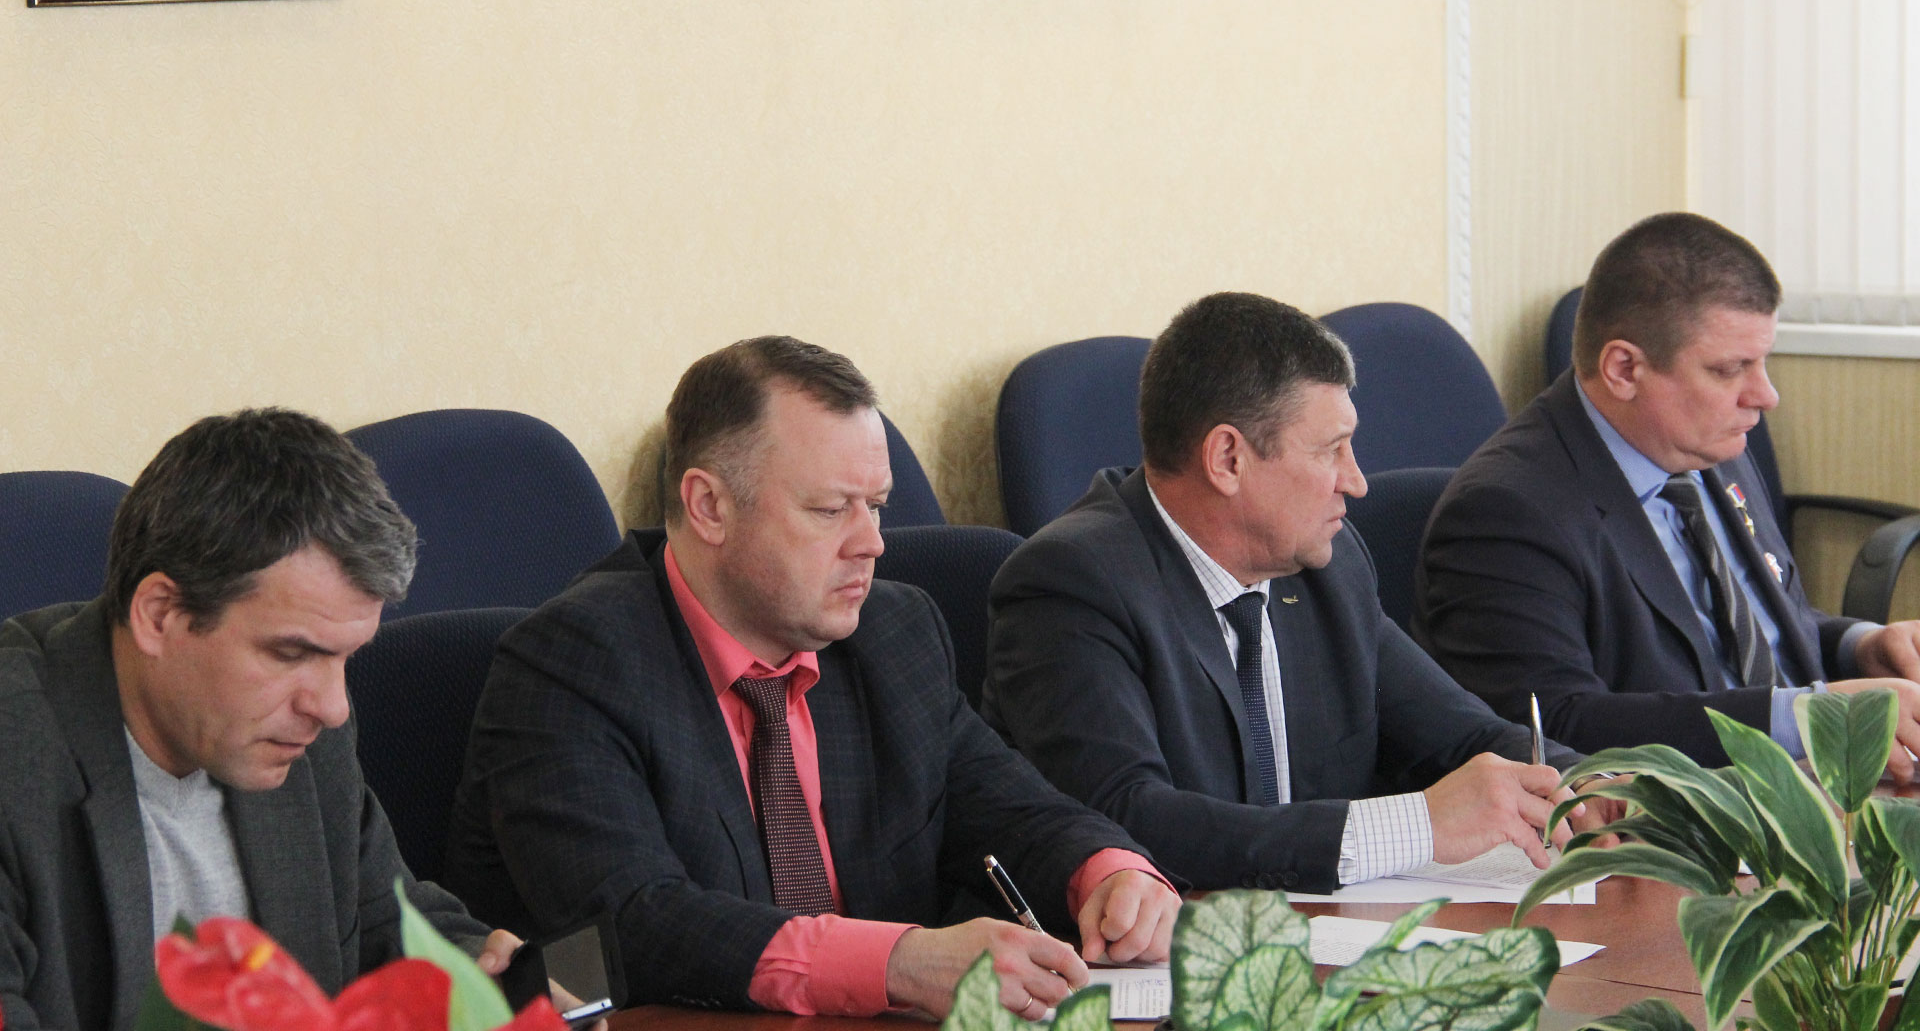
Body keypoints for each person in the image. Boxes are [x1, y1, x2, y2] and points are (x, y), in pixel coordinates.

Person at [442, 337, 1180, 1020]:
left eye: (877, 506)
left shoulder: (893, 632)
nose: (873, 543)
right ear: (709, 506)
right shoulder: (571, 663)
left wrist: (1108, 871)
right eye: (830, 510)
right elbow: (631, 925)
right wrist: (897, 962)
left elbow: (1007, 806)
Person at [981, 292, 1591, 897]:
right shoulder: (1070, 585)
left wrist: (1587, 785)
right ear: (1228, 459)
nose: (1356, 482)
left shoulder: (1327, 562)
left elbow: (1461, 734)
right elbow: (1126, 820)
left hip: (1329, 931)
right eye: (1331, 450)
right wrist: (1419, 826)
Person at [0, 408, 529, 1031]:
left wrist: (488, 978)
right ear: (160, 614)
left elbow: (385, 917)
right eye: (291, 653)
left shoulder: (306, 735)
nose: (331, 707)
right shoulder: (17, 761)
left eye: (346, 658)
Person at [1415, 212, 1920, 769]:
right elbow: (1551, 727)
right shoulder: (1505, 512)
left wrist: (1860, 645)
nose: (1765, 395)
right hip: (1683, 806)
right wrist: (1809, 718)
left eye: (1762, 361)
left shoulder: (1707, 444)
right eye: (1730, 369)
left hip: (1813, 777)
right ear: (1624, 369)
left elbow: (1750, 629)